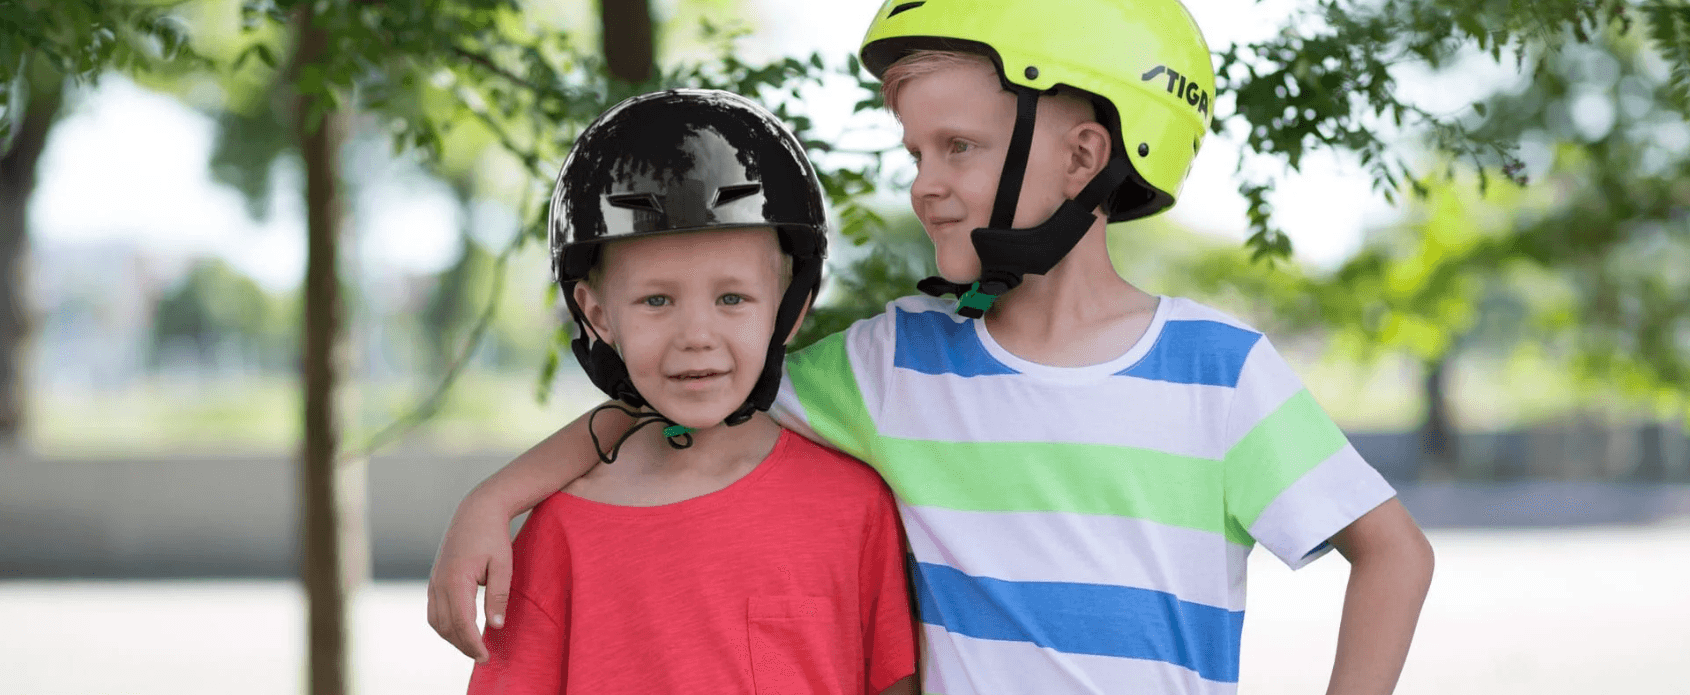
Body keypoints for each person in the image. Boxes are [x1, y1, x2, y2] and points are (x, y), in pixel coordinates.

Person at [434, 1, 1436, 693]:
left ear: (1084, 156)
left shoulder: (1218, 372)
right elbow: (694, 385)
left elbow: (1390, 551)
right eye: (916, 151)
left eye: (957, 147)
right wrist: (499, 495)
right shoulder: (891, 366)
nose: (923, 182)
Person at [462, 89, 917, 695]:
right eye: (656, 300)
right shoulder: (559, 536)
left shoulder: (856, 505)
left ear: (792, 305)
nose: (696, 336)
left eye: (732, 298)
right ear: (597, 314)